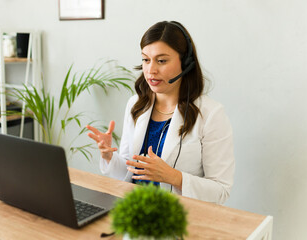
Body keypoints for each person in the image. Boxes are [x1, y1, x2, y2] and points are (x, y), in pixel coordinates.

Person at [86, 21, 235, 205]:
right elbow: (128, 171)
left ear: (186, 63)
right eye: (146, 60)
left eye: (162, 61)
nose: (151, 70)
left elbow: (220, 190)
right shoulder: (136, 104)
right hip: (134, 210)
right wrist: (109, 156)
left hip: (178, 219)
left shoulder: (211, 114)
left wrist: (174, 177)